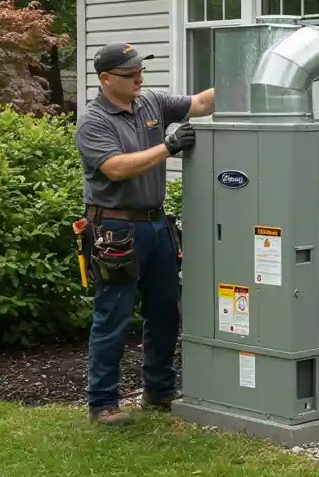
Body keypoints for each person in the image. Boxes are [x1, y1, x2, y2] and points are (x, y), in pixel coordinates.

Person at [75, 41, 216, 426]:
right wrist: (168, 146)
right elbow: (117, 168)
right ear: (106, 79)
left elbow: (201, 103)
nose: (139, 78)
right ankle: (103, 403)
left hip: (156, 225)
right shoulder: (93, 122)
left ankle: (158, 391)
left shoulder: (151, 102)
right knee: (114, 315)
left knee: (165, 311)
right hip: (115, 229)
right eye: (129, 74)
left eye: (141, 70)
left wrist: (247, 76)